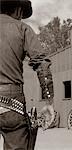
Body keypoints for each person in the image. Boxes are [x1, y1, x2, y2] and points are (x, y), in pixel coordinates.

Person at [0, 0, 53, 149]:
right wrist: (49, 101)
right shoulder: (22, 28)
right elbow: (42, 64)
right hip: (12, 103)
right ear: (18, 10)